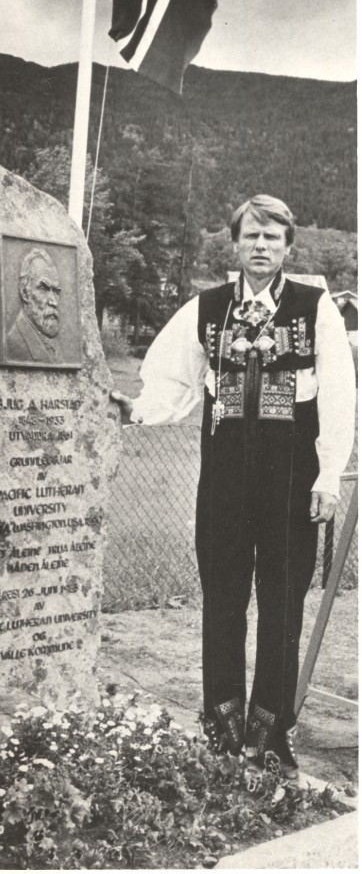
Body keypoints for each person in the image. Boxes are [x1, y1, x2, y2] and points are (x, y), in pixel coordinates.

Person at [112, 194, 355, 781]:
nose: (261, 246)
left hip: (292, 481)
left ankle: (271, 735)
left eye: (272, 237)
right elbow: (175, 382)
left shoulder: (316, 308)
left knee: (281, 606)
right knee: (222, 599)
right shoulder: (209, 309)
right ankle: (221, 729)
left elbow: (340, 399)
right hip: (223, 480)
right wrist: (136, 409)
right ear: (236, 243)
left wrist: (328, 476)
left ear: (289, 245)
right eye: (251, 236)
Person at [6, 246, 62, 363]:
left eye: (56, 291)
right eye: (43, 289)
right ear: (25, 293)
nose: (54, 302)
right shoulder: (13, 344)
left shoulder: (55, 345)